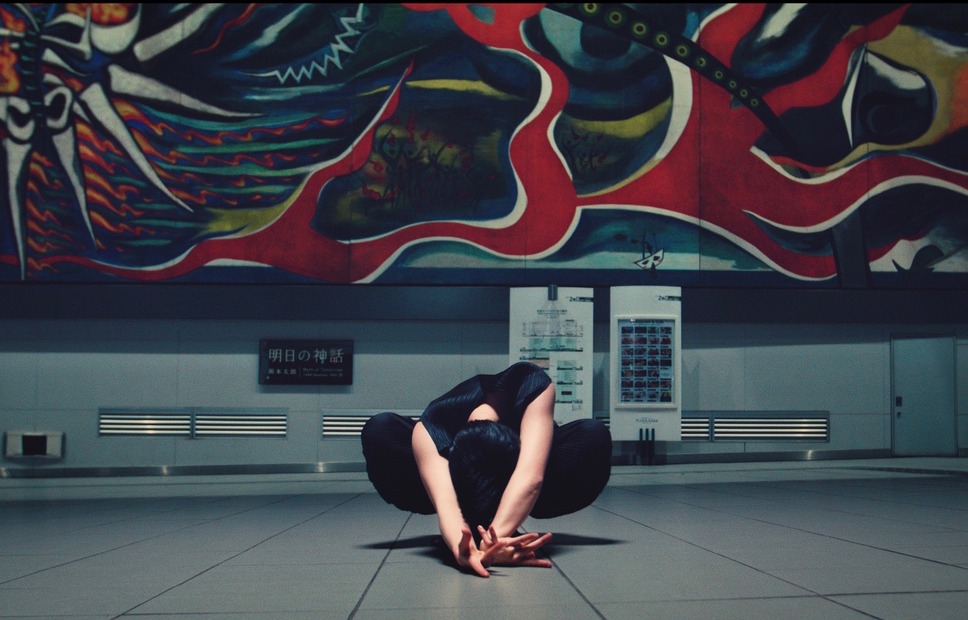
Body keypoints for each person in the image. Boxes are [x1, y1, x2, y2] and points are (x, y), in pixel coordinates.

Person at [361, 361, 612, 577]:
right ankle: (481, 519)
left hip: (535, 469)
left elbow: (531, 477)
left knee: (593, 435)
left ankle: (496, 517)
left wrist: (493, 540)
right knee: (381, 429)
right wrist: (467, 550)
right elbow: (446, 505)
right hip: (455, 478)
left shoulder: (533, 386)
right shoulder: (429, 430)